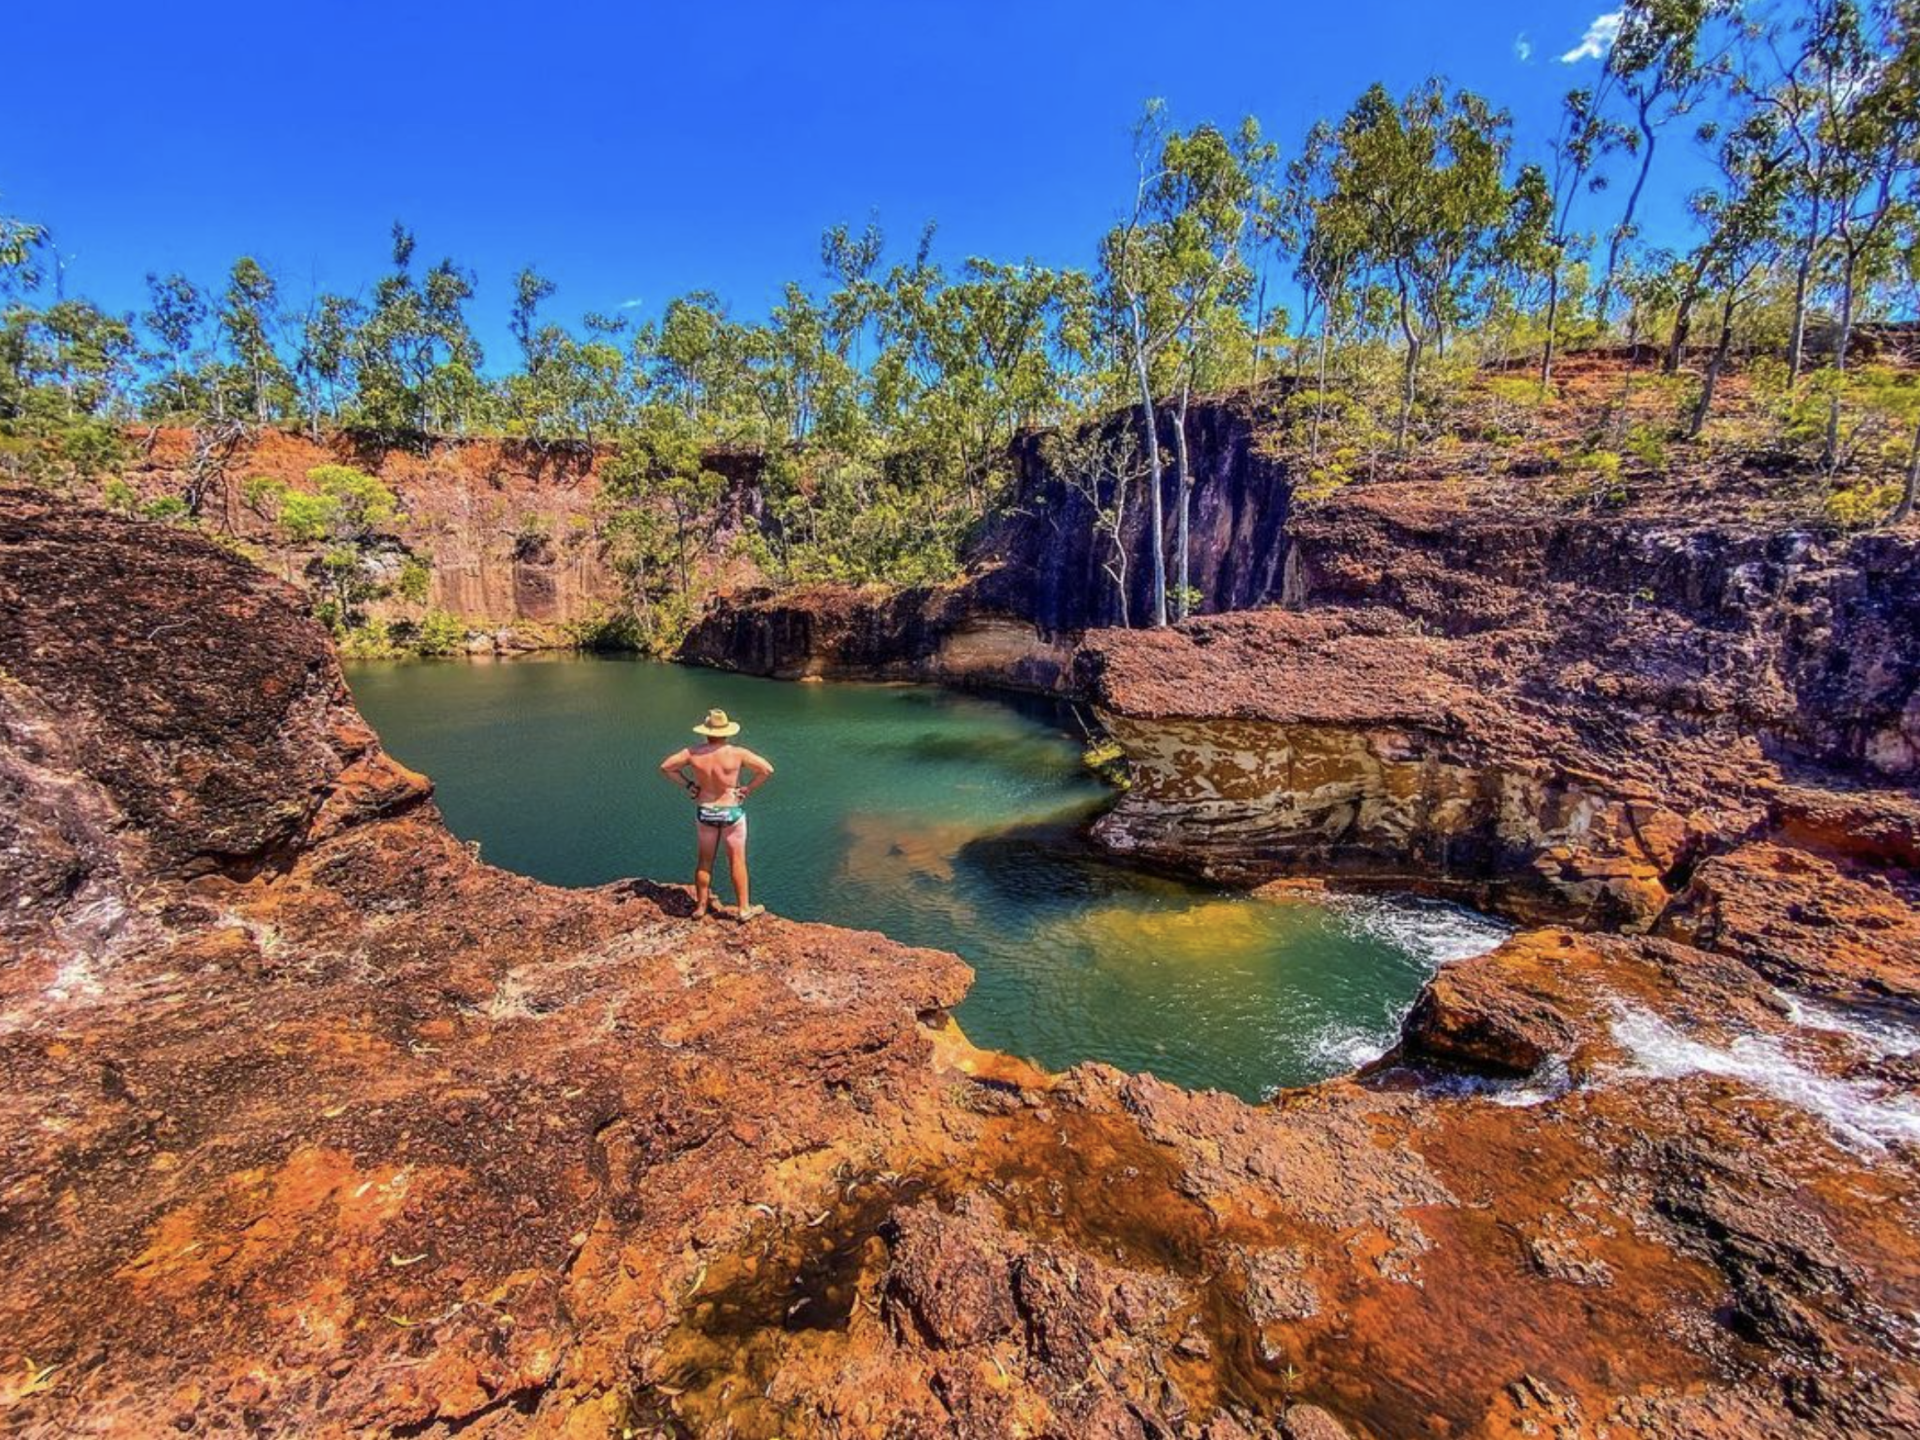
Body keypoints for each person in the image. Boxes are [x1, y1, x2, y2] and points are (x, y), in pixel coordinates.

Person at [659, 708, 775, 922]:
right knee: (737, 861)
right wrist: (747, 788)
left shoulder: (693, 752)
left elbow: (666, 767)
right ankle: (743, 909)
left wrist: (689, 785)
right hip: (731, 811)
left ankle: (701, 907)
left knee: (704, 861)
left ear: (706, 732)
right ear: (727, 732)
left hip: (706, 811)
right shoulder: (737, 753)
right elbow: (767, 770)